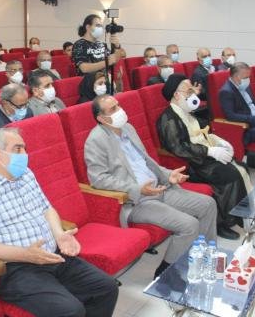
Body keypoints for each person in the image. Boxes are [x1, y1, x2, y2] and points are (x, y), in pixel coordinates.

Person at [0, 128, 118, 317]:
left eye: (25, 148)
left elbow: (47, 209)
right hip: (17, 268)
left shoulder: (26, 174)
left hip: (53, 255)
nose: (24, 154)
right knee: (71, 310)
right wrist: (26, 254)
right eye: (18, 149)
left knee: (107, 288)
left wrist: (59, 234)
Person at [84, 95, 217, 277]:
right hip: (138, 200)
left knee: (208, 204)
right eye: (113, 109)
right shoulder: (95, 140)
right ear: (101, 118)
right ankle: (166, 273)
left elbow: (147, 162)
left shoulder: (128, 128)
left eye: (118, 105)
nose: (120, 110)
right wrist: (137, 189)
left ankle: (203, 256)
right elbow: (98, 179)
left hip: (160, 188)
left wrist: (169, 175)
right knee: (189, 224)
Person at [158, 74, 248, 240]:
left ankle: (237, 216)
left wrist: (219, 142)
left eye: (193, 91)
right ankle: (222, 223)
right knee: (229, 175)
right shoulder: (169, 119)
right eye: (189, 91)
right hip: (191, 163)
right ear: (176, 95)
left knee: (241, 167)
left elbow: (204, 131)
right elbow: (178, 147)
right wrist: (209, 152)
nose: (193, 94)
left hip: (203, 156)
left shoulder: (187, 112)